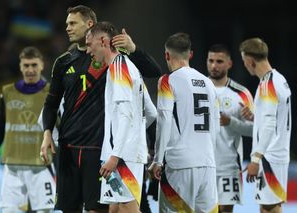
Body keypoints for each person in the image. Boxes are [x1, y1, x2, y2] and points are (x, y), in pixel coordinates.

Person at [40, 5, 161, 213]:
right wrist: (47, 132)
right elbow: (51, 103)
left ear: (90, 26)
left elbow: (153, 74)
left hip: (102, 150)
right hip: (70, 148)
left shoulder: (116, 60)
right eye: (66, 23)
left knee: (111, 208)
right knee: (97, 209)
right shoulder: (63, 62)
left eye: (72, 23)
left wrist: (134, 49)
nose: (67, 27)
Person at [86, 21, 156, 213]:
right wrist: (137, 135)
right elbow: (150, 112)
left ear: (102, 41)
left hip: (122, 156)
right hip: (124, 151)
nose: (87, 50)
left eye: (89, 44)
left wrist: (116, 155)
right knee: (115, 209)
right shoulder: (126, 66)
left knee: (127, 208)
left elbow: (126, 115)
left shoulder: (119, 69)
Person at [149, 32, 220, 213]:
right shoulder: (209, 83)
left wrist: (158, 160)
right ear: (190, 55)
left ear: (166, 55)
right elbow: (216, 125)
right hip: (207, 164)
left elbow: (164, 120)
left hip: (179, 166)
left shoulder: (167, 81)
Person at [0, 47, 55, 213]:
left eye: (33, 65)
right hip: (13, 166)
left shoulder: (51, 93)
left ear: (41, 66)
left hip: (41, 165)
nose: (30, 69)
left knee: (45, 211)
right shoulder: (7, 92)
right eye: (26, 65)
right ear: (20, 67)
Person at [239, 38, 291, 213]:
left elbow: (269, 125)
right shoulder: (279, 79)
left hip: (270, 155)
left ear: (250, 61)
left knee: (270, 207)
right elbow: (275, 119)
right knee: (266, 208)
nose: (245, 65)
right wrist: (256, 118)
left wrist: (255, 159)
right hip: (276, 153)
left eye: (244, 61)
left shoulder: (268, 84)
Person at [206, 44, 254, 212]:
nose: (214, 65)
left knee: (225, 210)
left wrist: (231, 122)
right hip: (202, 164)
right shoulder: (197, 88)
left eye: (219, 61)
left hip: (228, 166)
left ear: (229, 64)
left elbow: (255, 130)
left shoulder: (241, 93)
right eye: (210, 60)